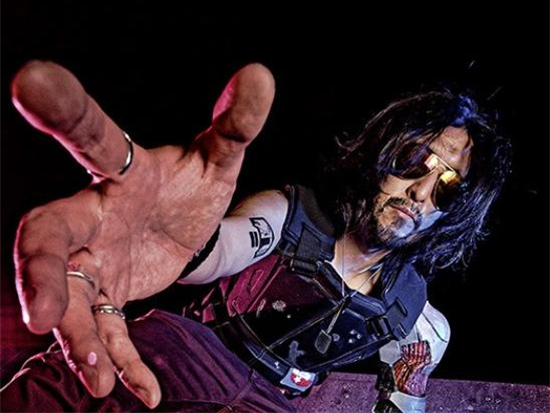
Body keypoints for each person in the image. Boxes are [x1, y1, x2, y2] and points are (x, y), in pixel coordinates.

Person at [1, 60, 511, 413]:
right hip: (183, 352)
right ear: (383, 153)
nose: (420, 192)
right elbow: (221, 248)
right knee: (67, 389)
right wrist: (179, 242)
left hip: (266, 405)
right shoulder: (289, 215)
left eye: (447, 187)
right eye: (414, 160)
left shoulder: (420, 324)